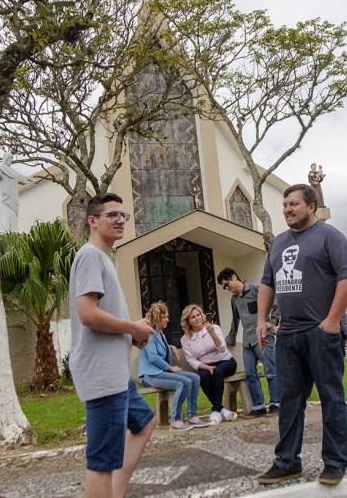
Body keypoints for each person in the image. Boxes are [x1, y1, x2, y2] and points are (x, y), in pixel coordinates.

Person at [255, 183, 347, 487]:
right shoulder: (277, 243)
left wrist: (332, 319)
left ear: (311, 206)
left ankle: (335, 462)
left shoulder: (330, 237)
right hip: (288, 334)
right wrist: (262, 318)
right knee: (289, 400)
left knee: (331, 396)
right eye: (285, 205)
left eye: (294, 204)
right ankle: (287, 462)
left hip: (321, 331)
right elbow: (267, 283)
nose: (287, 209)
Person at [68, 193, 155, 498]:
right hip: (102, 375)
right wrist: (133, 327)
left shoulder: (104, 257)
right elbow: (88, 314)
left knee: (144, 422)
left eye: (123, 215)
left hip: (116, 374)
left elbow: (102, 316)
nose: (120, 220)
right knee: (102, 463)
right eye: (112, 215)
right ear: (92, 221)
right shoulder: (91, 255)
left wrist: (132, 336)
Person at [136, 301, 210, 431]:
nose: (168, 320)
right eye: (165, 317)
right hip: (150, 375)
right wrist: (170, 368)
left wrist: (171, 347)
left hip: (159, 372)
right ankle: (175, 421)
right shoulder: (148, 333)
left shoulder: (160, 333)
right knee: (183, 383)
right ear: (158, 319)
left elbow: (159, 349)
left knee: (195, 378)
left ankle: (192, 416)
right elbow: (153, 357)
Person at [219, 267, 280, 415]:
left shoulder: (256, 289)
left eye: (226, 284)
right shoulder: (234, 300)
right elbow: (235, 320)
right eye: (224, 287)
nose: (226, 288)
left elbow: (276, 303)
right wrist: (230, 339)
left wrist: (271, 324)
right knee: (250, 373)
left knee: (270, 371)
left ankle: (277, 403)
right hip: (247, 341)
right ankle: (259, 406)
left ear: (234, 277)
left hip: (263, 337)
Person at [179, 304, 238, 425]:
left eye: (198, 315)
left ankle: (216, 410)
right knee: (203, 376)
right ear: (188, 321)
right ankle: (222, 410)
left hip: (226, 361)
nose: (197, 318)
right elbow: (191, 360)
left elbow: (222, 349)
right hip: (205, 365)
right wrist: (206, 367)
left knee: (217, 372)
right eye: (193, 317)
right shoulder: (185, 339)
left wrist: (212, 334)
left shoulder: (214, 328)